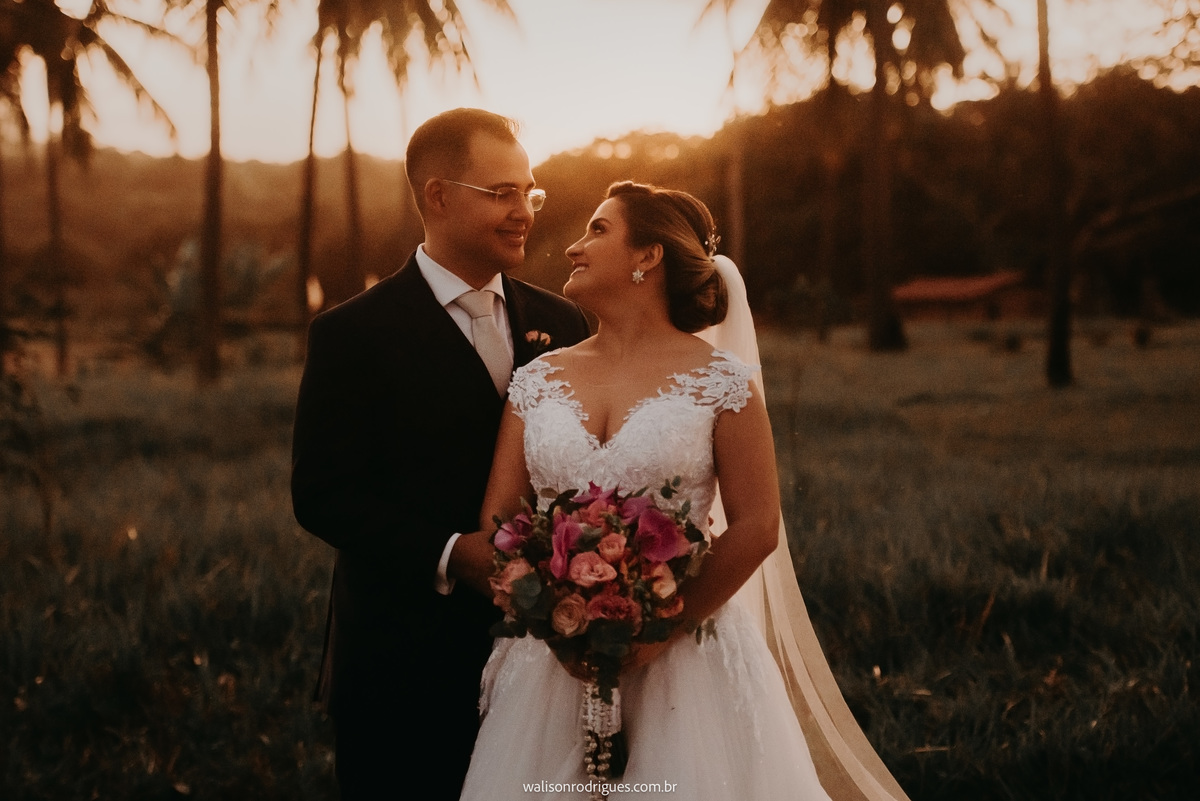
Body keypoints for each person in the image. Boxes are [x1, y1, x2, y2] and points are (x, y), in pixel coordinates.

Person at [456, 182, 911, 800]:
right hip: (554, 663)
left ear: (648, 256)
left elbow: (756, 525)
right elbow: (498, 516)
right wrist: (551, 614)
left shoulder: (721, 380)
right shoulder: (536, 380)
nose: (570, 247)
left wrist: (653, 636)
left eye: (597, 229)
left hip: (686, 659)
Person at [290, 108, 591, 800]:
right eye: (502, 193)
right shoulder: (352, 335)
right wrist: (454, 551)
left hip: (543, 663)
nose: (524, 212)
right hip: (399, 664)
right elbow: (323, 492)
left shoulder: (563, 322)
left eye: (529, 192)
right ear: (438, 195)